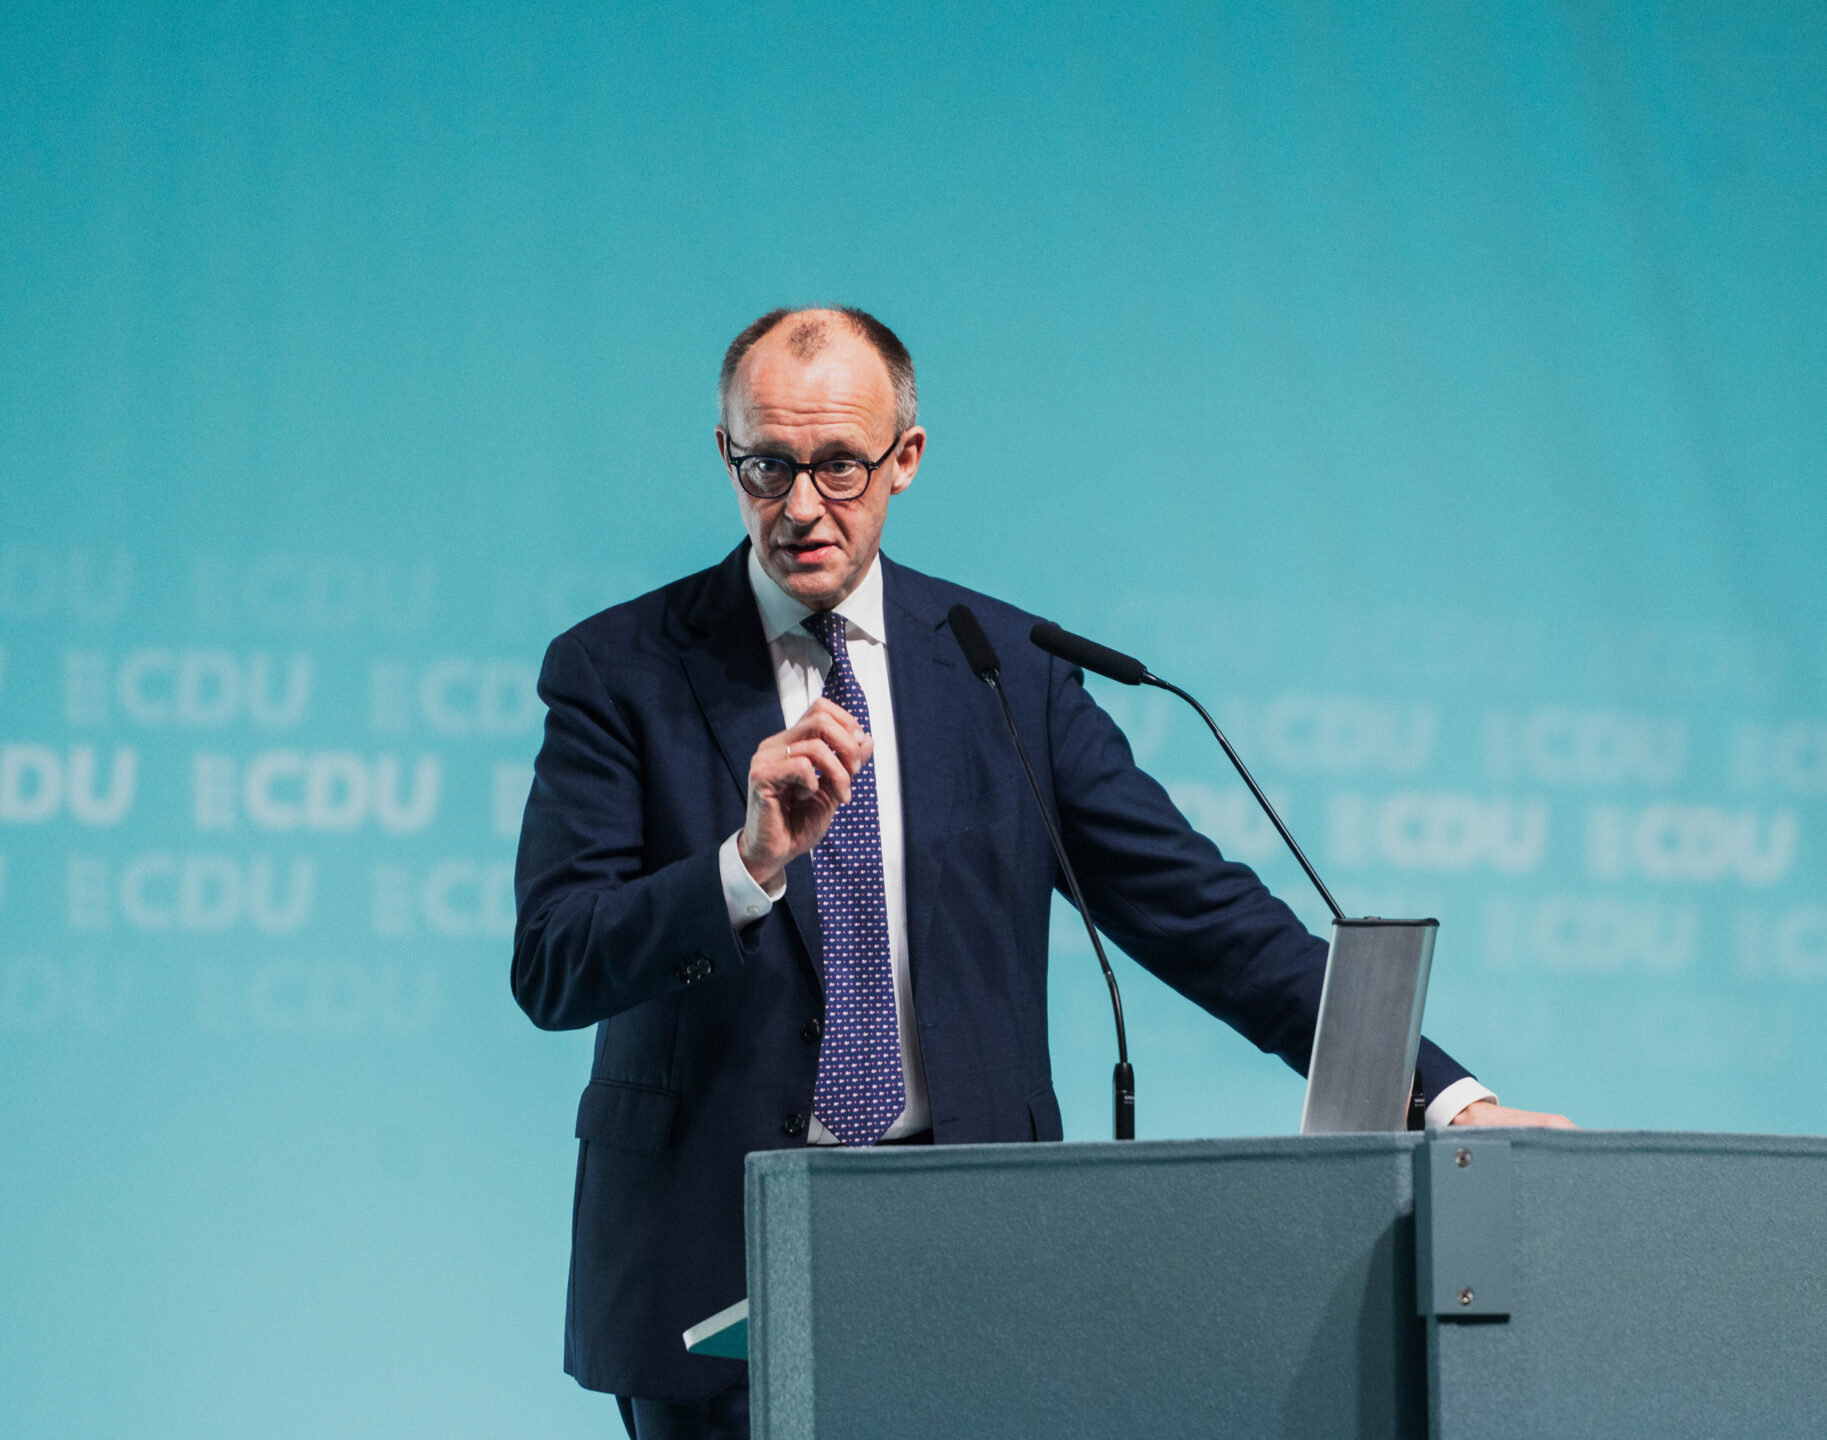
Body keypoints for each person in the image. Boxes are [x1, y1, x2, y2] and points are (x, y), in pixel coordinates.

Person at [511, 305, 1571, 1439]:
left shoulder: (1004, 668)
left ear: (906, 459)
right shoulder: (618, 668)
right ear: (726, 453)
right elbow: (555, 963)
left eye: (837, 465)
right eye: (767, 466)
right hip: (712, 1263)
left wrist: (1445, 1094)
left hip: (979, 1256)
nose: (801, 506)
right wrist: (745, 863)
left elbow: (1204, 918)